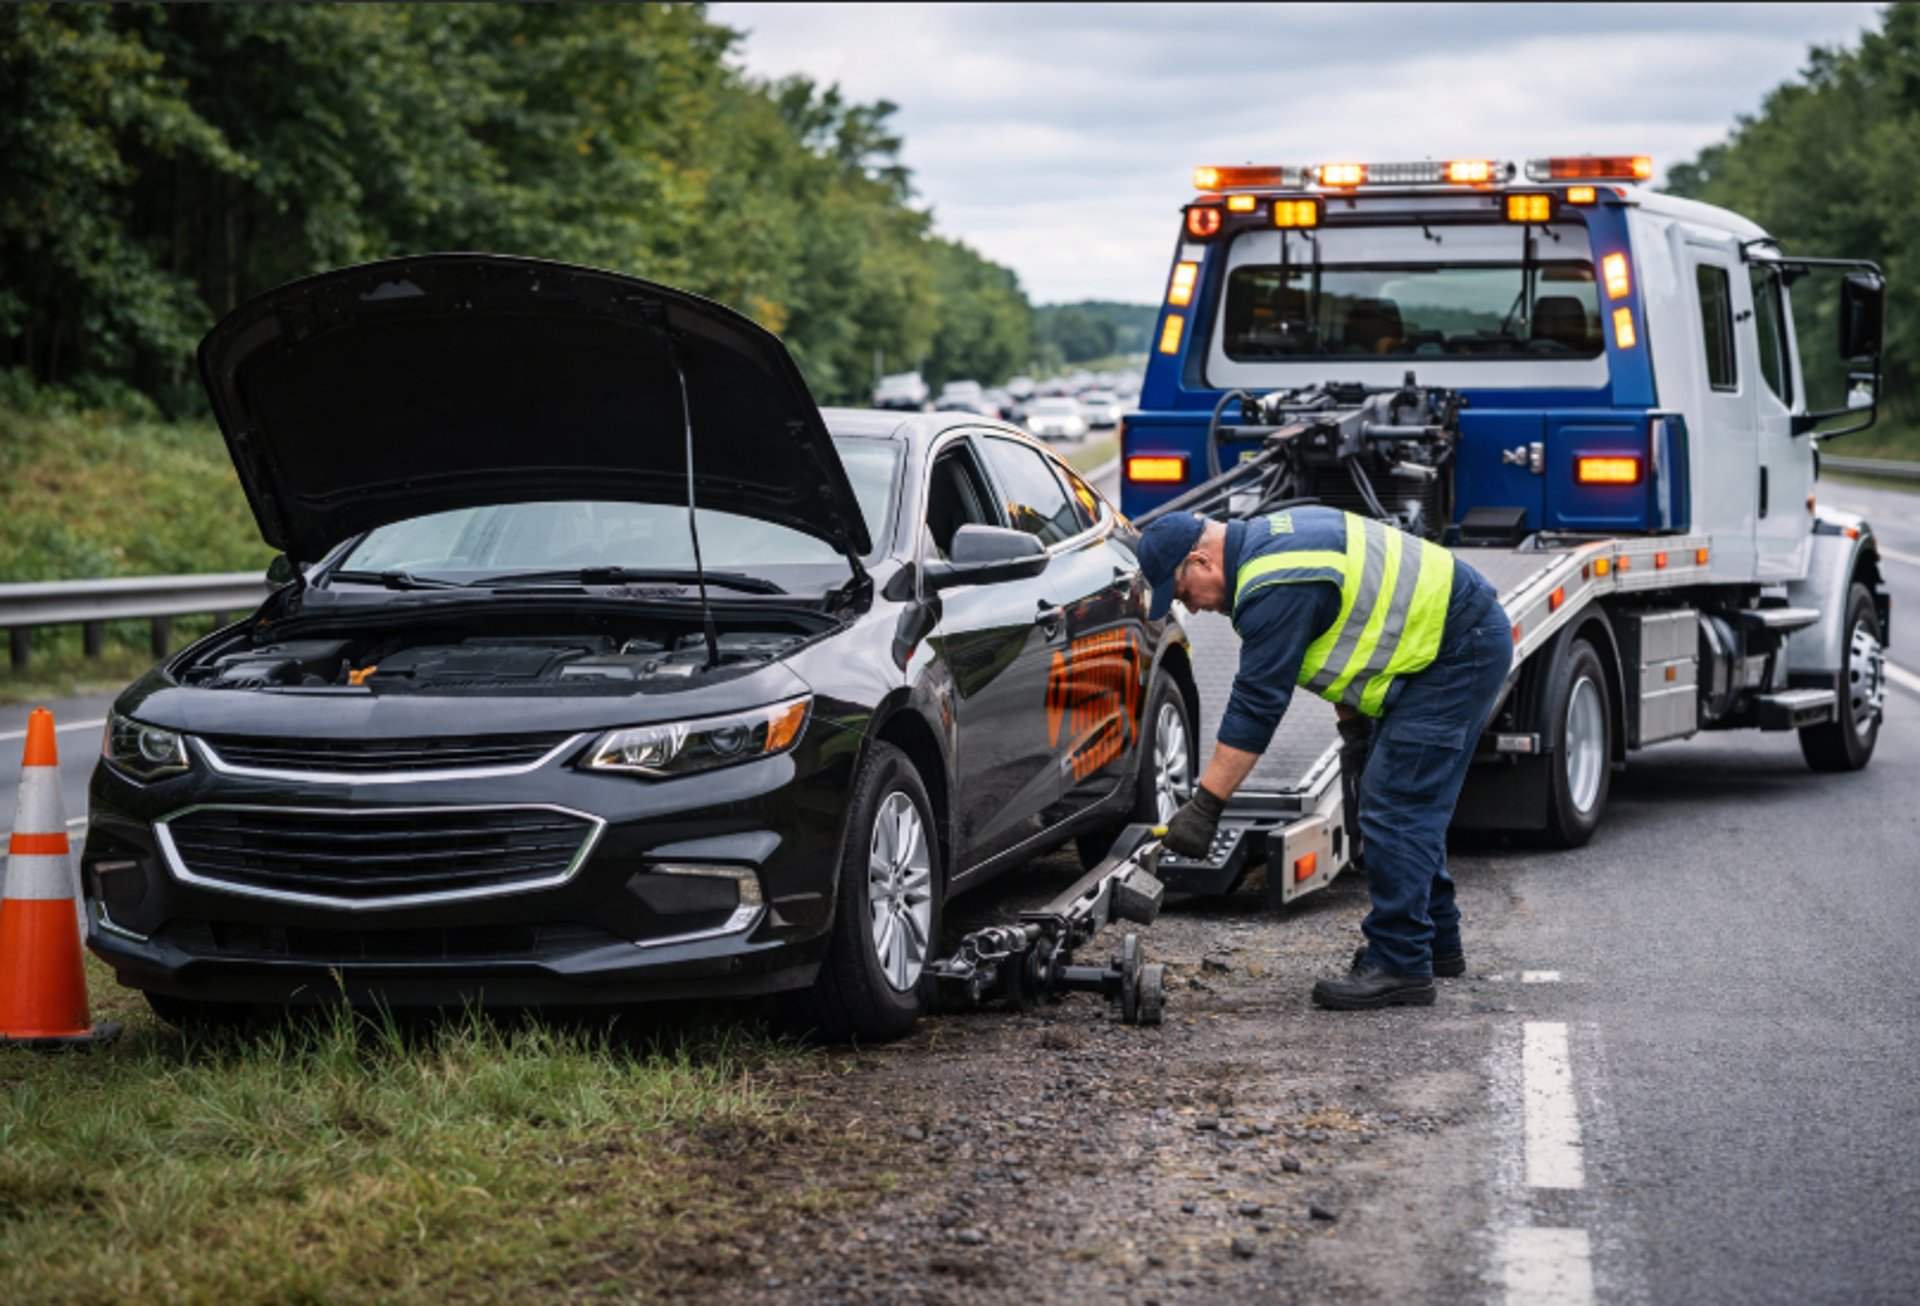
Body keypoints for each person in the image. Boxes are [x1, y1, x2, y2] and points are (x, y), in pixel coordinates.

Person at [1139, 506, 1510, 1010]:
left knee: (1395, 806)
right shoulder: (1272, 543)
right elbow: (1351, 635)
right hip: (1453, 643)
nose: (1195, 609)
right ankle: (1436, 942)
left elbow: (1255, 708)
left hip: (1456, 650)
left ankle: (1401, 963)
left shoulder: (1271, 588)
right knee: (1407, 802)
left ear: (1201, 561)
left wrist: (1207, 806)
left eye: (1184, 594)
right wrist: (1355, 733)